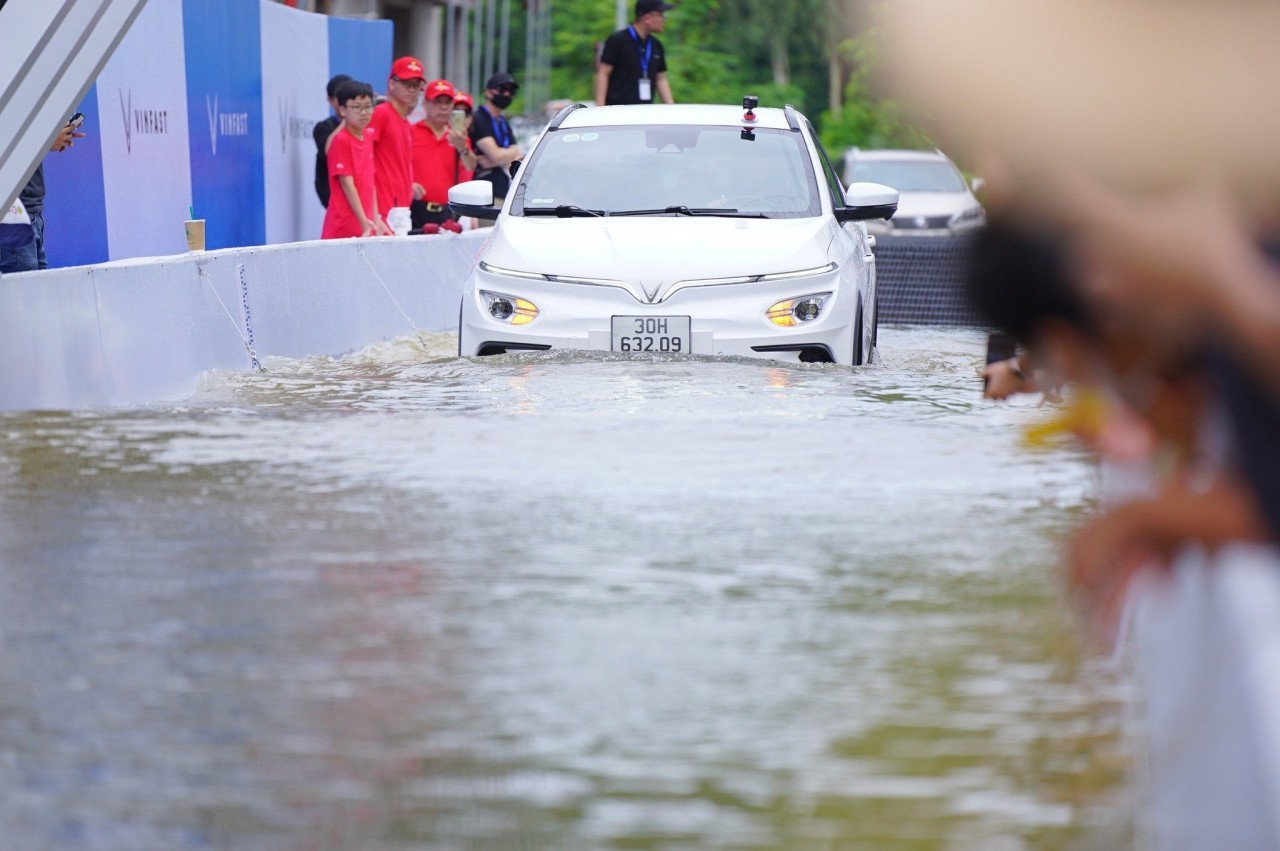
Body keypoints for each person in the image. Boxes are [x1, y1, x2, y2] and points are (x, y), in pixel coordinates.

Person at [1, 119, 83, 274]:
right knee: (24, 289)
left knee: (37, 287)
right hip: (12, 215)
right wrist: (44, 140)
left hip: (31, 212)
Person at [321, 80, 388, 240]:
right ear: (343, 110)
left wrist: (376, 218)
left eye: (368, 106)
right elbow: (347, 184)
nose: (364, 113)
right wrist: (363, 220)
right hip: (343, 226)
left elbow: (370, 182)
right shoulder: (341, 140)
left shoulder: (368, 136)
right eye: (357, 107)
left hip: (365, 225)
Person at [409, 78, 478, 233]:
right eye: (437, 102)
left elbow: (470, 166)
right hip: (416, 208)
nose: (443, 107)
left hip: (447, 212)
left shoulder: (457, 135)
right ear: (425, 104)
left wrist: (462, 147)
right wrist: (408, 184)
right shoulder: (411, 131)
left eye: (447, 103)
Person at [369, 56, 426, 228]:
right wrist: (373, 212)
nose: (412, 90)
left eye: (416, 85)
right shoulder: (381, 114)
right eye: (407, 84)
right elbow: (363, 160)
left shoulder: (405, 122)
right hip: (382, 211)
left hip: (400, 210)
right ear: (392, 83)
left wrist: (409, 184)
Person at [595, 0, 675, 106]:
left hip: (644, 110)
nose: (664, 19)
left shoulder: (656, 45)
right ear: (647, 18)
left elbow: (660, 79)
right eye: (661, 15)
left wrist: (671, 107)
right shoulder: (618, 40)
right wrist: (600, 108)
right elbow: (603, 73)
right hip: (617, 109)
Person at [468, 72, 524, 223]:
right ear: (487, 92)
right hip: (484, 195)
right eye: (502, 89)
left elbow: (517, 156)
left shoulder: (502, 121)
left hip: (502, 192)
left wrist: (498, 158)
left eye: (511, 91)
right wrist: (502, 157)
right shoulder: (479, 118)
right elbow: (497, 156)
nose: (506, 94)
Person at [313, 73, 352, 208]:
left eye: (349, 98)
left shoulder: (366, 127)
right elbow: (329, 151)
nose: (344, 103)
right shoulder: (323, 127)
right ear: (329, 100)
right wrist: (348, 120)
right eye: (339, 98)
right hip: (333, 196)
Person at [452, 91, 476, 183]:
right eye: (456, 112)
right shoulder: (443, 136)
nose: (461, 118)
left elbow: (471, 167)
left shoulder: (471, 139)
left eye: (466, 113)